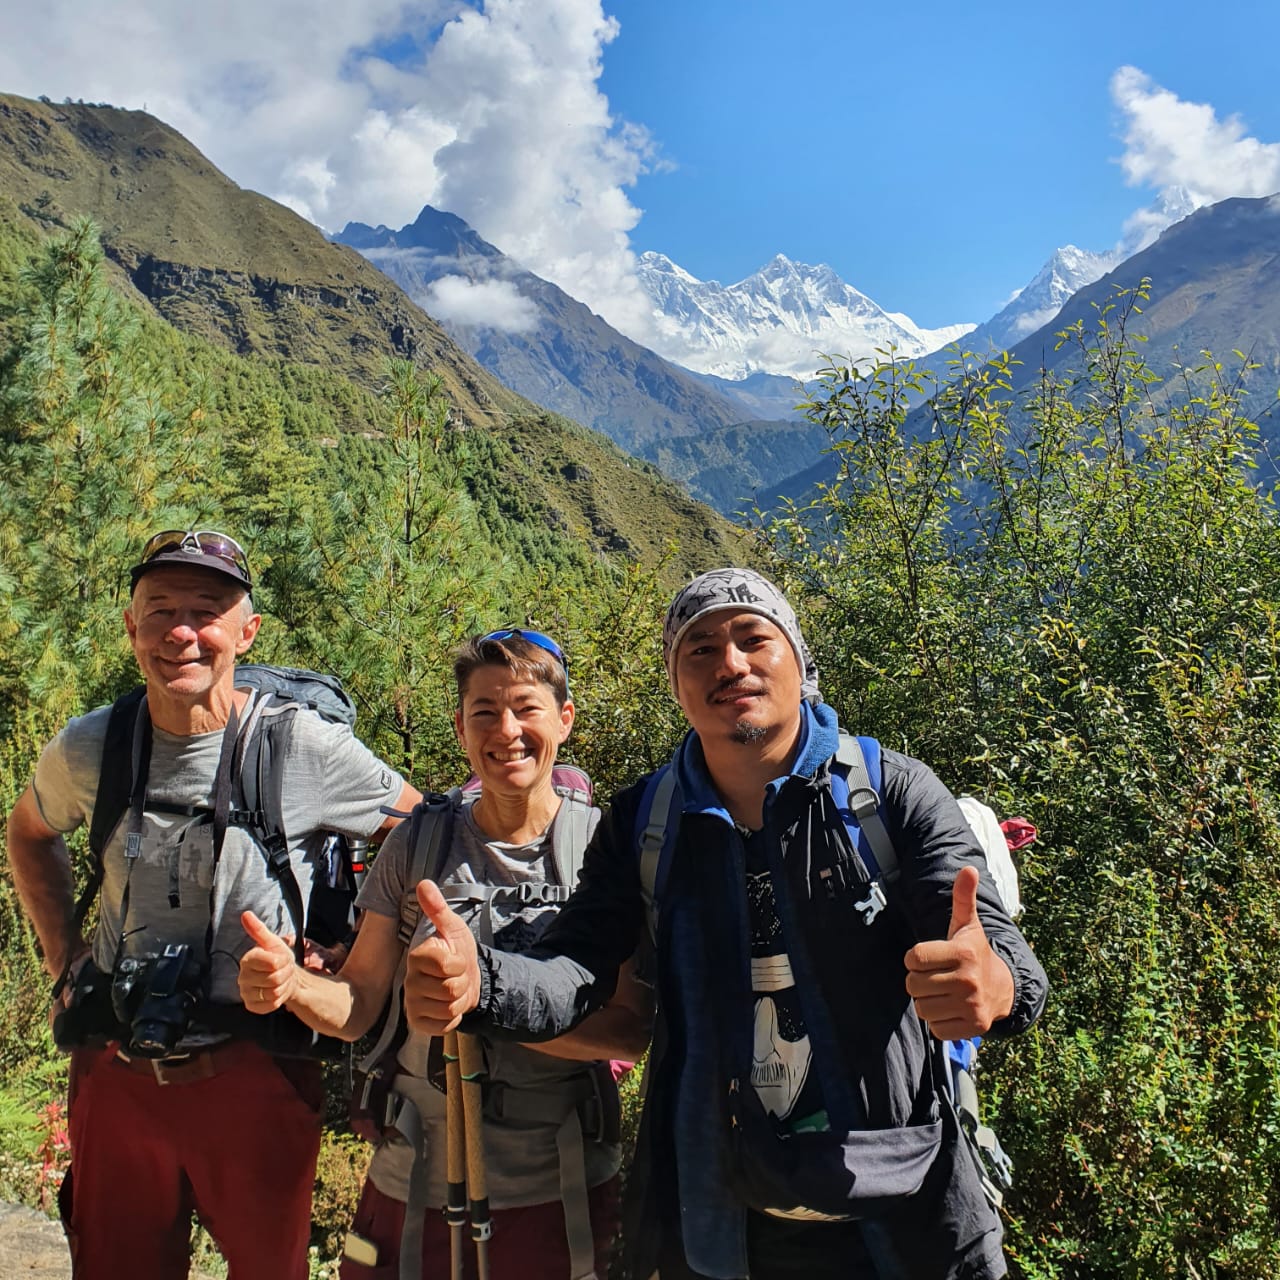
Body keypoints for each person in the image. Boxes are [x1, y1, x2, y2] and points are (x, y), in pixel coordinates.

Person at [402, 568, 1050, 1280]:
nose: (731, 663)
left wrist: (991, 986)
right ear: (677, 684)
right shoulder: (646, 822)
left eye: (752, 639)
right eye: (700, 649)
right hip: (722, 1218)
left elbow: (1007, 962)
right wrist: (482, 981)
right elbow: (577, 971)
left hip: (904, 1206)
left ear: (799, 661)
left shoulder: (891, 793)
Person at [5, 529, 420, 1280]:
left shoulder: (298, 747)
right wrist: (63, 960)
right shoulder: (93, 747)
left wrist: (356, 952)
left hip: (256, 1070)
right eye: (160, 610)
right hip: (116, 1067)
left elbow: (418, 830)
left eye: (207, 610)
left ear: (246, 631)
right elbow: (29, 833)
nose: (182, 633)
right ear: (131, 626)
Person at [237, 628, 652, 1279]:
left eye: (526, 708)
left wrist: (487, 1000)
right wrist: (291, 985)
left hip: (559, 1188)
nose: (506, 730)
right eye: (484, 712)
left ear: (564, 720)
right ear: (461, 728)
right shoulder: (418, 844)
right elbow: (357, 1004)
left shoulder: (601, 850)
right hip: (414, 1178)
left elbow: (632, 1028)